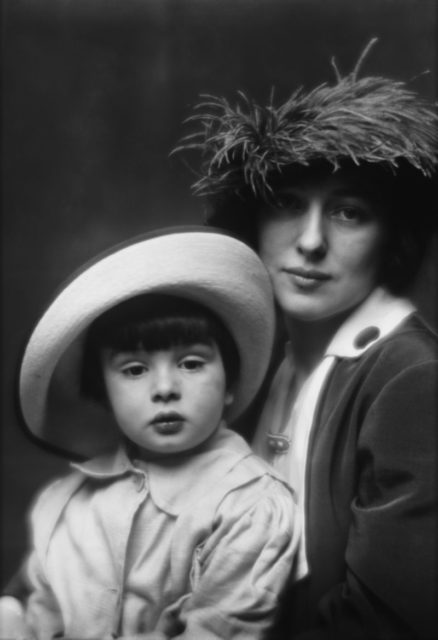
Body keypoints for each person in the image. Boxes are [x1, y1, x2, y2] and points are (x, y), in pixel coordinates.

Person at [175, 40, 438, 639]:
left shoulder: (412, 378)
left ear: (391, 236)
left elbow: (386, 623)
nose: (311, 242)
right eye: (288, 204)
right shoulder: (258, 363)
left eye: (348, 213)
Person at [0, 227, 301, 639]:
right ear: (103, 392)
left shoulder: (248, 506)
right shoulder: (66, 505)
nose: (164, 388)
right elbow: (33, 619)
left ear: (230, 383)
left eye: (192, 364)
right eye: (134, 370)